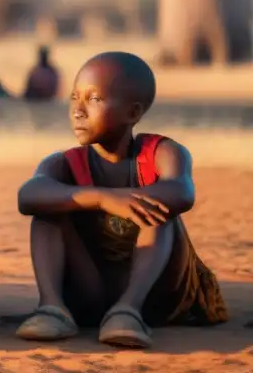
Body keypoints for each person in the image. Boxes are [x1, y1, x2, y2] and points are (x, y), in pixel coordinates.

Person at [15, 51, 228, 349]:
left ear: (133, 113)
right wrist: (103, 198)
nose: (78, 110)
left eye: (95, 99)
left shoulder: (162, 153)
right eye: (75, 98)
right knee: (47, 212)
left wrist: (125, 200)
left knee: (157, 210)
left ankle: (128, 310)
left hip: (154, 294)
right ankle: (52, 308)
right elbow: (28, 195)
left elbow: (181, 192)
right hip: (90, 292)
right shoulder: (64, 163)